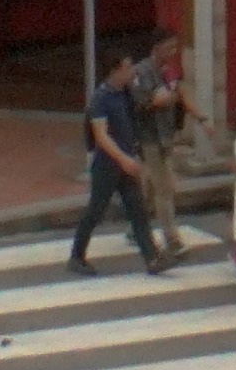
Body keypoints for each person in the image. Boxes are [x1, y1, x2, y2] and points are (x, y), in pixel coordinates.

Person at [71, 44, 170, 278]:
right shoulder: (101, 99)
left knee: (137, 209)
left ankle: (152, 257)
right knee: (96, 210)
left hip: (126, 161)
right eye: (127, 68)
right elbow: (101, 136)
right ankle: (76, 256)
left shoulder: (125, 94)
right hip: (107, 164)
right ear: (115, 70)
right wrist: (123, 159)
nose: (131, 72)